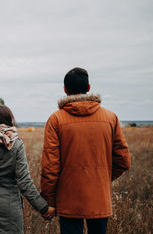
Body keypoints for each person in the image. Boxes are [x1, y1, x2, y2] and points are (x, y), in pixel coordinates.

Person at [40, 67, 131, 234]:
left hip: (68, 198)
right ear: (89, 88)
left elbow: (50, 166)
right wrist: (102, 177)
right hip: (99, 197)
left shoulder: (55, 119)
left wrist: (49, 202)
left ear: (65, 90)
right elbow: (124, 160)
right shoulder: (110, 118)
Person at [0, 104, 55, 233]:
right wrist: (43, 208)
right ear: (9, 120)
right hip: (10, 207)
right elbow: (24, 181)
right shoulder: (15, 144)